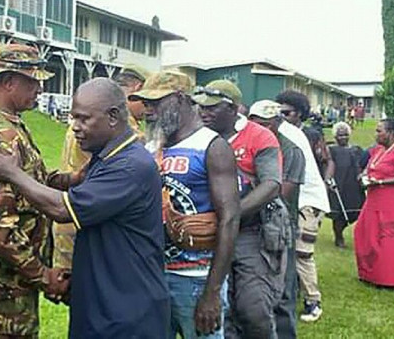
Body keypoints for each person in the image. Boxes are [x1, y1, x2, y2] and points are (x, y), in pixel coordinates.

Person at [0, 78, 169, 338]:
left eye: (83, 119)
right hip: (102, 302)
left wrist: (13, 174)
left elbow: (62, 209)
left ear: (113, 117)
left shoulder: (130, 166)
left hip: (125, 313)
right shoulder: (106, 158)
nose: (75, 128)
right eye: (73, 118)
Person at [0, 44, 68, 338]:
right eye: (33, 81)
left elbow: (22, 182)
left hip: (10, 279)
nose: (39, 89)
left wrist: (67, 179)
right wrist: (42, 274)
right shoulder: (0, 133)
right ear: (9, 82)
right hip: (6, 285)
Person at [130, 71, 240, 339]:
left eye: (156, 103)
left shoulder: (211, 147)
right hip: (152, 277)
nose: (148, 111)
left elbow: (229, 219)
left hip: (195, 279)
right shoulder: (150, 148)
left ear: (180, 99)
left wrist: (212, 293)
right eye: (146, 104)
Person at [194, 80, 289, 339]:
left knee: (253, 307)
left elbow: (271, 184)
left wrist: (231, 215)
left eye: (213, 108)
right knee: (219, 311)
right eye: (201, 107)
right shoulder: (197, 137)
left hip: (251, 230)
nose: (204, 112)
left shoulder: (259, 135)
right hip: (208, 232)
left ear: (234, 108)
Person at [53, 64, 149, 271]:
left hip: (79, 218)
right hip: (84, 221)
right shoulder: (119, 131)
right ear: (136, 89)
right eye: (147, 100)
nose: (149, 108)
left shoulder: (95, 118)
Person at [248, 100, 306, 339]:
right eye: (254, 123)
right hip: (251, 225)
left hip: (279, 226)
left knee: (283, 290)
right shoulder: (249, 143)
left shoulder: (291, 150)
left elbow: (281, 192)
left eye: (264, 124)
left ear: (276, 124)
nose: (258, 128)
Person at [275, 90, 332, 323]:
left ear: (299, 114)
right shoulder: (290, 131)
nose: (280, 116)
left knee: (302, 253)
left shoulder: (290, 133)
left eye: (285, 112)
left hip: (310, 201)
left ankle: (313, 301)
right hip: (298, 200)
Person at [355, 119, 394, 288]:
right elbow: (370, 167)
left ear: (390, 133)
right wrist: (364, 176)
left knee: (389, 240)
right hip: (375, 199)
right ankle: (369, 274)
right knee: (365, 233)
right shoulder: (378, 150)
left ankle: (387, 279)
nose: (376, 134)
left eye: (379, 131)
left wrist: (382, 183)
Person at [328, 122, 366, 248]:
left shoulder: (357, 149)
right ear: (335, 136)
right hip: (338, 184)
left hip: (354, 185)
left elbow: (363, 164)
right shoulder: (331, 150)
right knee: (339, 213)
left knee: (356, 210)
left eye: (345, 135)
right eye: (340, 135)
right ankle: (339, 237)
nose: (343, 138)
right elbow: (327, 165)